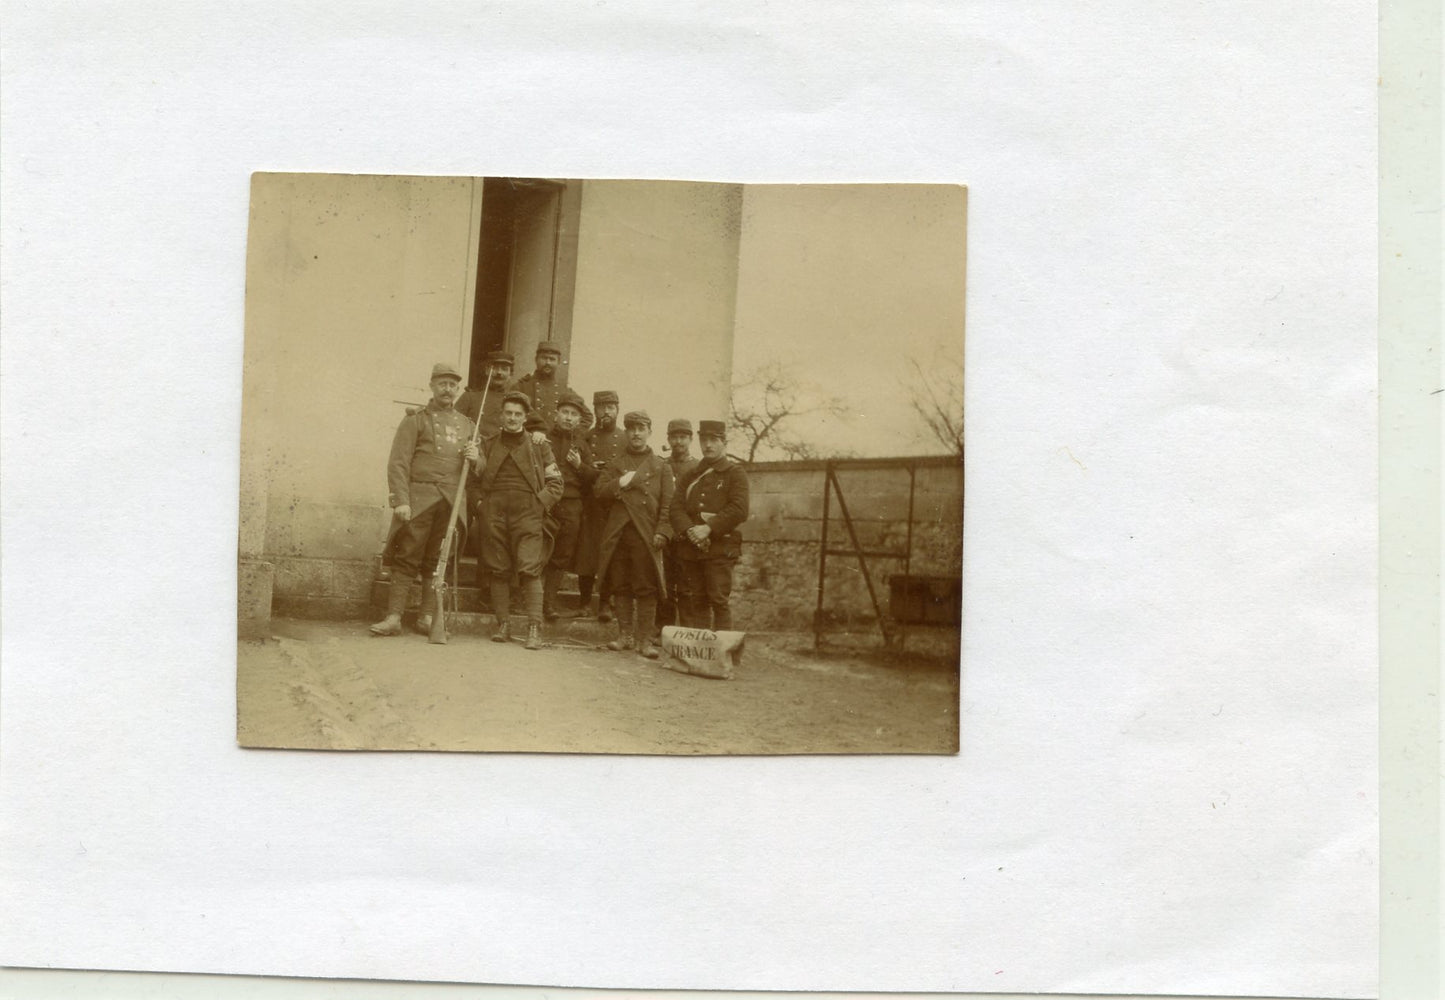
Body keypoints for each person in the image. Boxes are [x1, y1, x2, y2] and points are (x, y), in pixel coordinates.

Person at [371, 362, 480, 637]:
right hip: (420, 500)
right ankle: (394, 617)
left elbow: (481, 468)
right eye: (443, 383)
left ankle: (427, 617)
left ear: (457, 390)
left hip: (451, 503)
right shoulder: (416, 419)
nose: (448, 389)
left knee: (437, 559)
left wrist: (477, 457)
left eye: (453, 385)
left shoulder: (468, 426)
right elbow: (398, 463)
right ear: (432, 385)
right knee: (408, 556)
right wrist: (401, 501)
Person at [473, 391, 564, 650]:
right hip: (495, 511)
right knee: (498, 567)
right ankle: (503, 624)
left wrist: (539, 505)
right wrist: (481, 505)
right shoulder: (488, 444)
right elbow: (474, 482)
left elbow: (556, 483)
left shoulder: (539, 446)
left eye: (518, 414)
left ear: (525, 418)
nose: (512, 418)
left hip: (528, 511)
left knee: (529, 567)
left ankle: (534, 627)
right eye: (508, 413)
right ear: (501, 416)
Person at [593, 411, 674, 658]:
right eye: (631, 428)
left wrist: (662, 531)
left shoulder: (661, 466)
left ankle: (644, 640)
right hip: (619, 534)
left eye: (641, 428)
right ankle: (625, 636)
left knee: (646, 587)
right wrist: (621, 483)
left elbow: (668, 504)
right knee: (621, 584)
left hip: (646, 534)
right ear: (626, 432)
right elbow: (599, 492)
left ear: (650, 431)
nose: (636, 433)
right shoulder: (616, 463)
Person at [671, 420, 750, 631]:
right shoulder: (691, 475)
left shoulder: (735, 473)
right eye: (704, 440)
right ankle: (698, 654)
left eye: (713, 440)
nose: (708, 445)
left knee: (718, 600)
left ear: (724, 442)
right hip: (691, 547)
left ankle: (724, 656)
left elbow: (739, 509)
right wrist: (690, 531)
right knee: (695, 599)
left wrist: (708, 528)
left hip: (719, 549)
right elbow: (675, 508)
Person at [542, 389, 596, 621]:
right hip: (545, 501)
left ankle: (549, 603)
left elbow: (593, 476)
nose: (569, 417)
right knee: (536, 550)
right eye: (565, 412)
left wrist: (579, 465)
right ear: (556, 414)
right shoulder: (543, 439)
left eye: (574, 414)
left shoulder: (582, 444)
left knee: (562, 555)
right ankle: (528, 599)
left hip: (572, 504)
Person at [576, 389, 627, 621]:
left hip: (615, 505)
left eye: (610, 407)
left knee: (611, 554)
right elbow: (578, 470)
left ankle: (606, 603)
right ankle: (585, 601)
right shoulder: (585, 437)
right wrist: (593, 469)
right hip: (592, 504)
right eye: (601, 407)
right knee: (588, 554)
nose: (606, 412)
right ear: (594, 410)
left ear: (617, 410)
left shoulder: (626, 438)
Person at [658, 418, 699, 632]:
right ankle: (663, 629)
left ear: (691, 439)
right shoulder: (662, 465)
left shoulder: (698, 467)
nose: (678, 441)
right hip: (665, 534)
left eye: (683, 437)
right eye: (674, 437)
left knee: (686, 586)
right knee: (664, 585)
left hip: (686, 535)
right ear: (669, 439)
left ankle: (686, 630)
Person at [506, 340, 592, 433]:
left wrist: (569, 436)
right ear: (536, 359)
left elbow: (587, 417)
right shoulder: (521, 387)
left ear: (558, 362)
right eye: (544, 358)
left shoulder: (565, 391)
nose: (548, 362)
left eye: (552, 359)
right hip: (528, 440)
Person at [457, 349, 514, 436]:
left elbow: (535, 424)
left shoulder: (515, 399)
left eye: (504, 369)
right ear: (487, 371)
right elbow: (453, 421)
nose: (499, 372)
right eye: (495, 368)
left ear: (510, 374)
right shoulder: (470, 397)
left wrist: (538, 432)